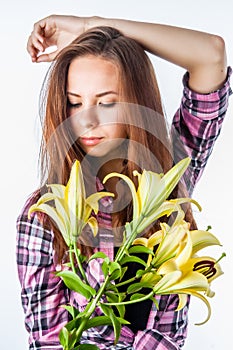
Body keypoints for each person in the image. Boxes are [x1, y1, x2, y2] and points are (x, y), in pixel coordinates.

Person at [17, 14, 232, 350]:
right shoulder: (44, 215)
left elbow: (211, 55)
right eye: (75, 103)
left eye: (106, 103)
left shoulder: (169, 179)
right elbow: (47, 342)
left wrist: (92, 26)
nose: (86, 119)